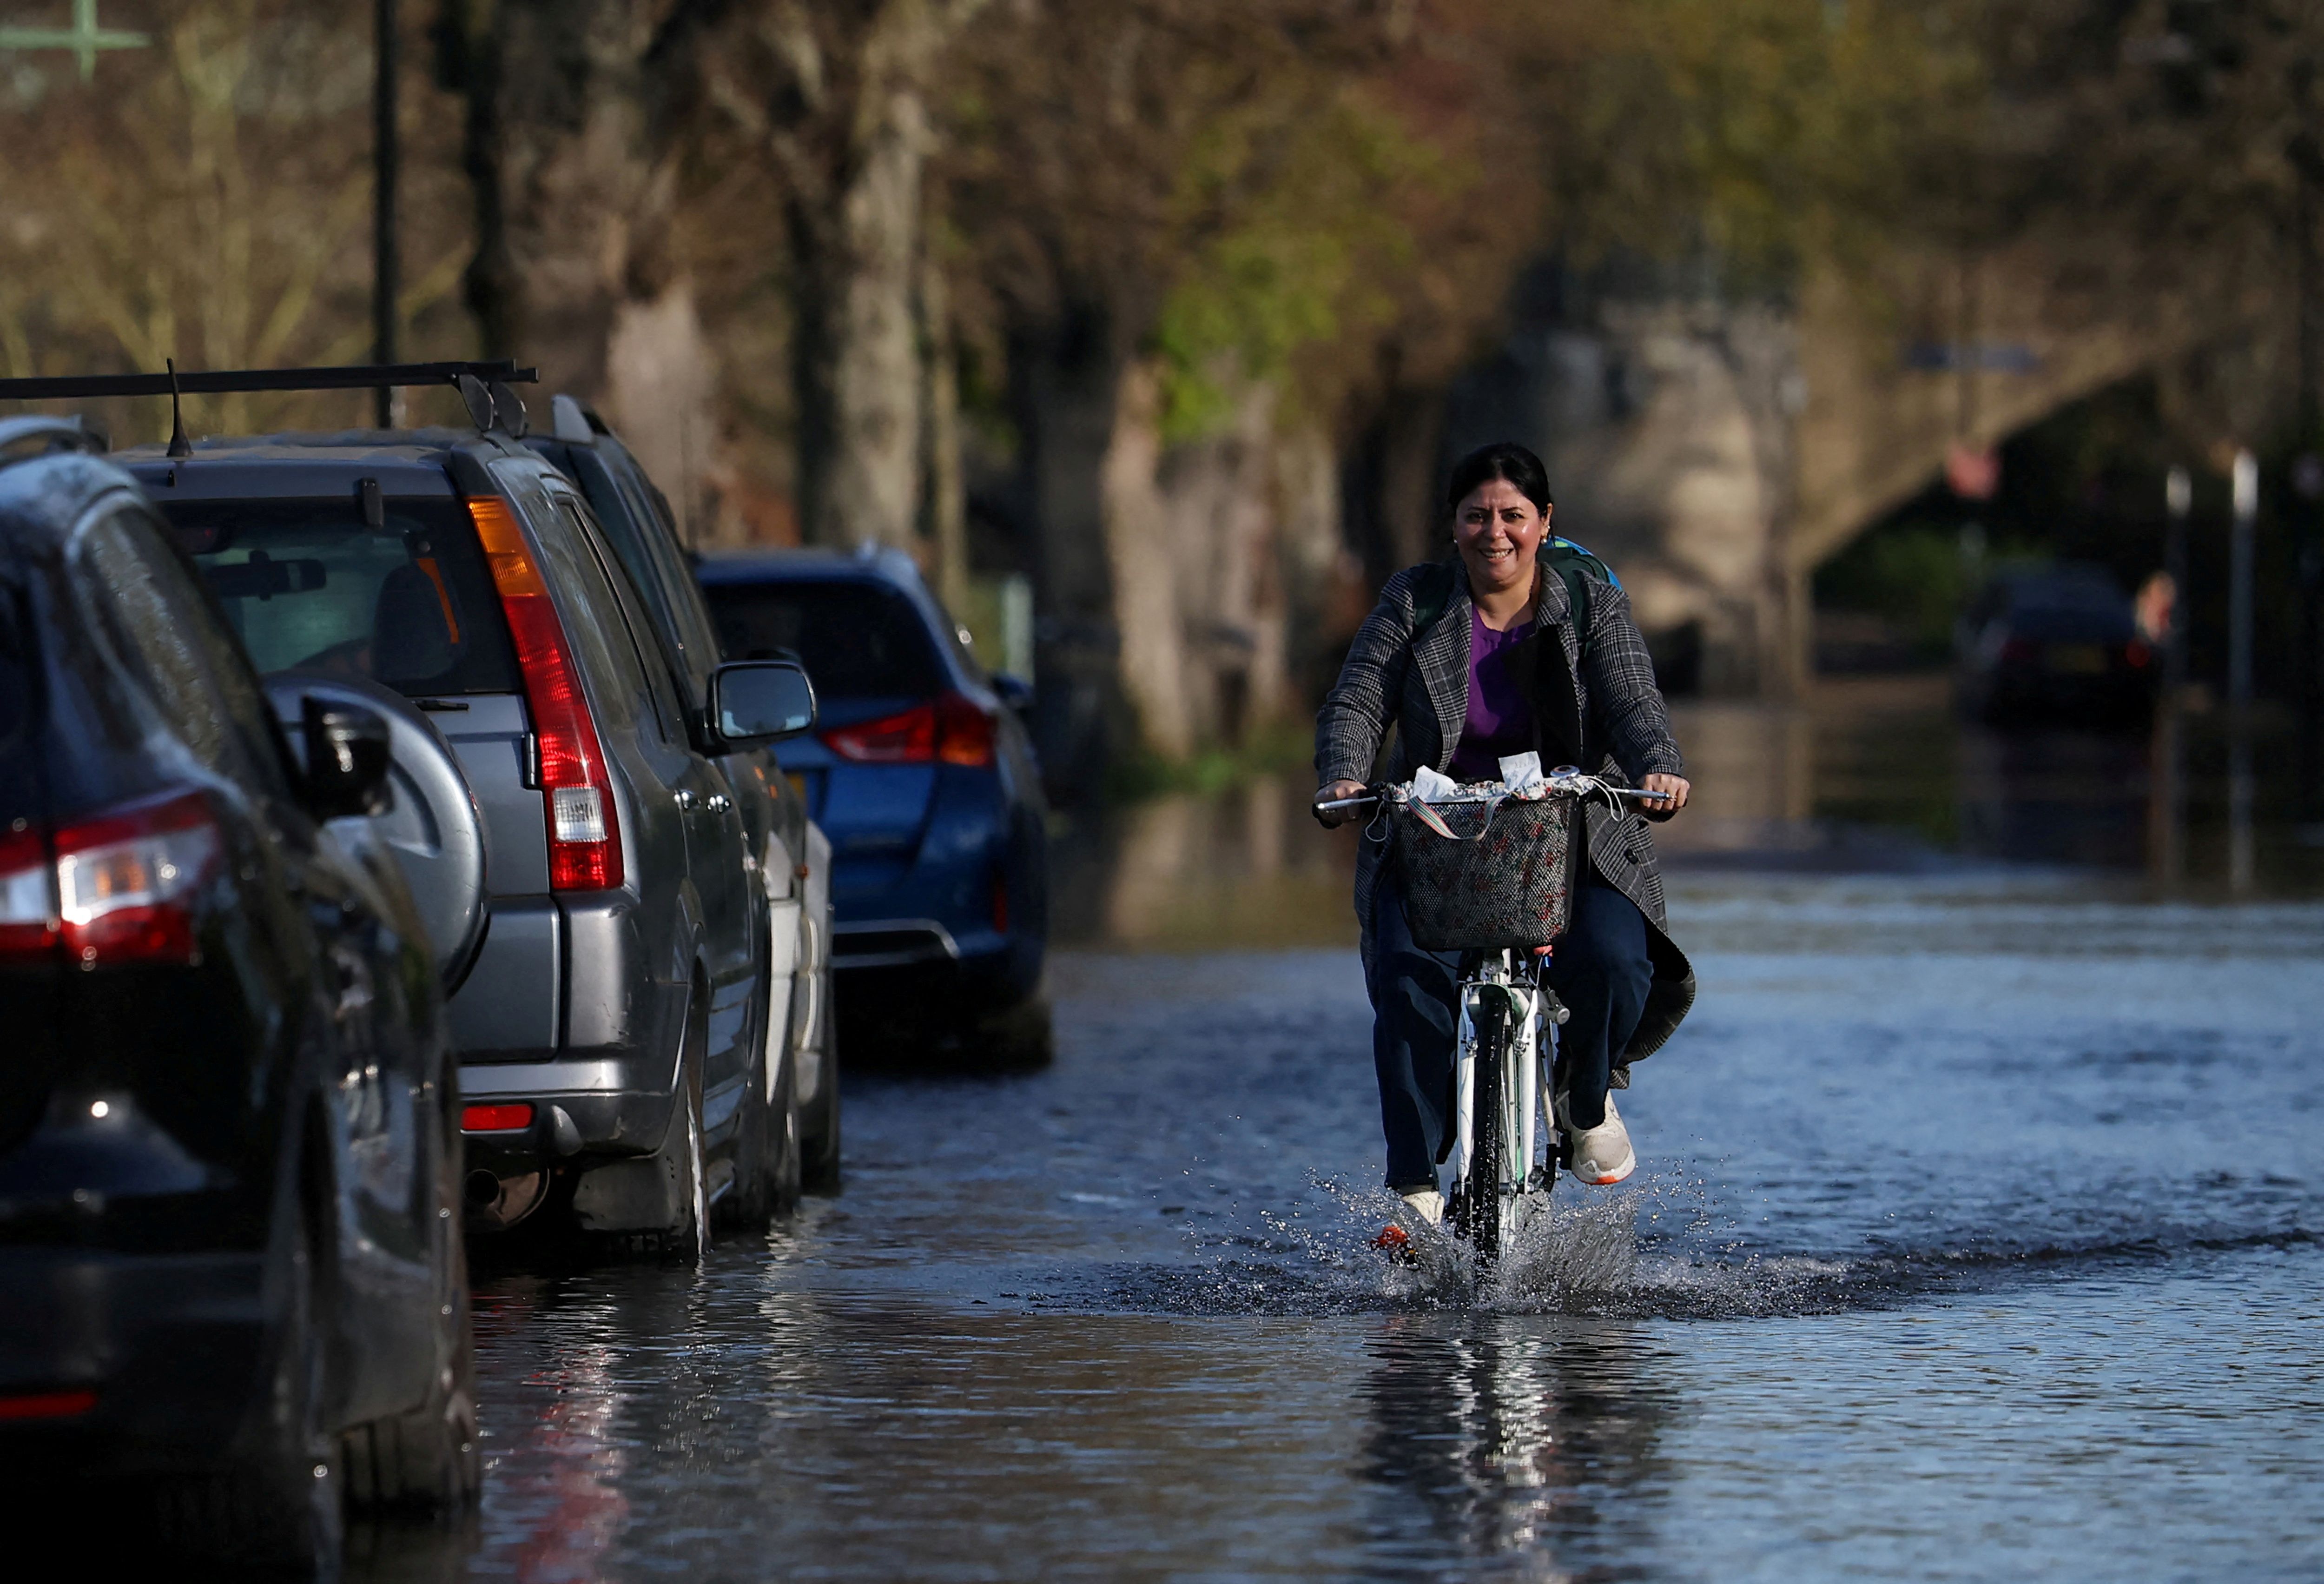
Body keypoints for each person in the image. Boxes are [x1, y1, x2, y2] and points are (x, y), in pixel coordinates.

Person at [1314, 442, 1694, 1229]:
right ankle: (1416, 1191)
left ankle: (1581, 1100)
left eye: (1513, 516)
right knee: (1407, 979)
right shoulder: (1416, 602)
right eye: (1477, 516)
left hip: (1569, 833)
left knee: (1618, 959)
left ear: (1544, 523)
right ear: (1453, 527)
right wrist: (1347, 776)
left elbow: (1633, 702)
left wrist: (1658, 766)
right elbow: (1357, 701)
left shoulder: (1588, 601)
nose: (1496, 533)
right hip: (1434, 836)